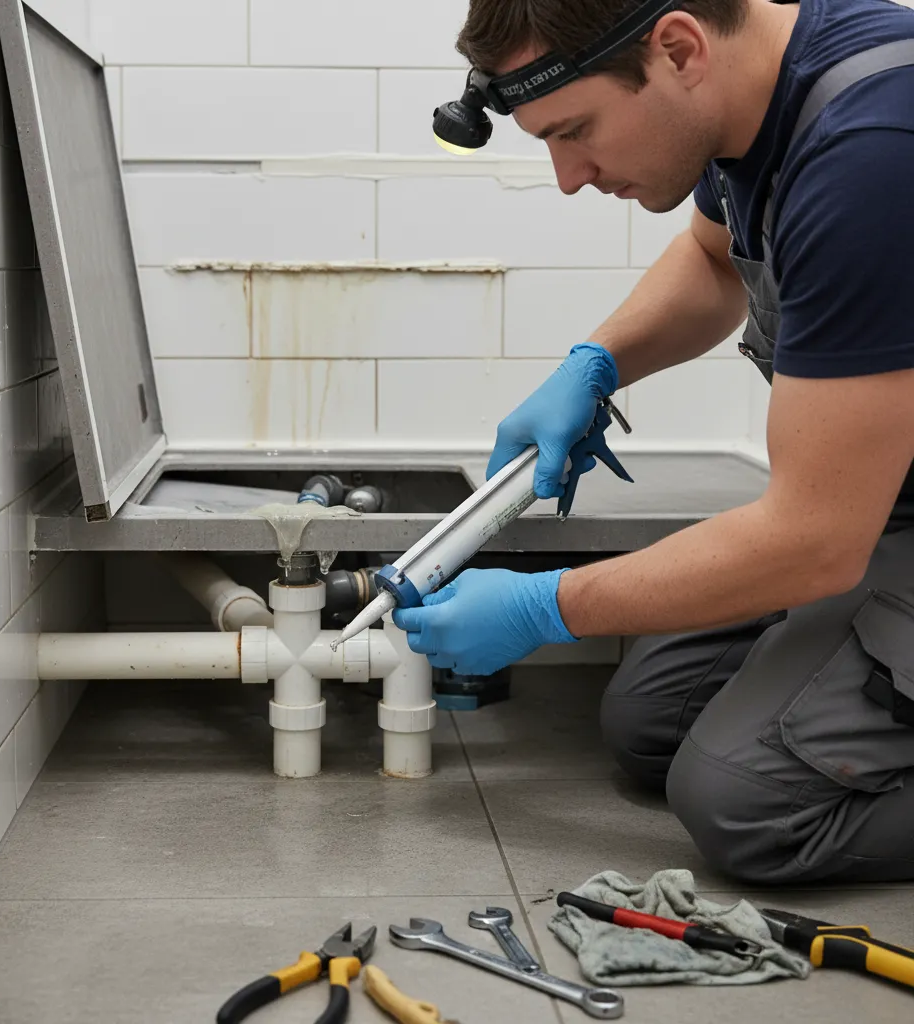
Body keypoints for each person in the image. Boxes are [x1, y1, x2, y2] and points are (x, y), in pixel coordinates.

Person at [392, 0, 914, 884]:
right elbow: (715, 260)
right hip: (884, 513)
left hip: (855, 529)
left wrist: (541, 608)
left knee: (745, 804)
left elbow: (815, 541)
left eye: (577, 130)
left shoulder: (873, 153)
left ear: (676, 47)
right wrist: (597, 365)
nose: (567, 176)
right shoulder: (757, 103)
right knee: (650, 722)